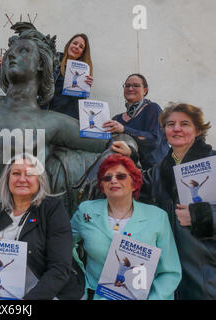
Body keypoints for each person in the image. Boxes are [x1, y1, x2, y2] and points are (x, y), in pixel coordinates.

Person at [71, 154, 181, 300]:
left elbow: (170, 271)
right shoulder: (86, 211)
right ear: (102, 186)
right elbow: (62, 244)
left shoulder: (158, 217)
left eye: (121, 176)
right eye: (107, 178)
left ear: (134, 183)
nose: (113, 180)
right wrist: (79, 275)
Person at [0, 153, 85, 300]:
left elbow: (60, 268)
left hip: (46, 293)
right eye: (16, 173)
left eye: (29, 174)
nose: (22, 179)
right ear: (7, 179)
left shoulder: (52, 209)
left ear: (39, 180)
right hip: (1, 294)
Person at [136, 103, 214, 299]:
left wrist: (199, 216)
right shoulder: (157, 172)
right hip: (170, 272)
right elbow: (132, 187)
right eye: (170, 124)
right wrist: (127, 157)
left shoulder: (214, 163)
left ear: (197, 130)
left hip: (207, 270)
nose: (176, 128)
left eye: (185, 124)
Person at [102, 74, 169, 169]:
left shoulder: (152, 108)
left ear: (145, 90)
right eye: (127, 85)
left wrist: (124, 129)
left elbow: (154, 140)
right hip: (127, 172)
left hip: (155, 171)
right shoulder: (117, 119)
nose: (130, 88)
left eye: (136, 85)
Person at [41, 33, 94, 119]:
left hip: (69, 120)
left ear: (81, 53)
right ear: (68, 45)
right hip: (48, 114)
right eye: (75, 43)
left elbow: (79, 101)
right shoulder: (54, 60)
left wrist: (86, 87)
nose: (77, 47)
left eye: (81, 47)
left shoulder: (83, 70)